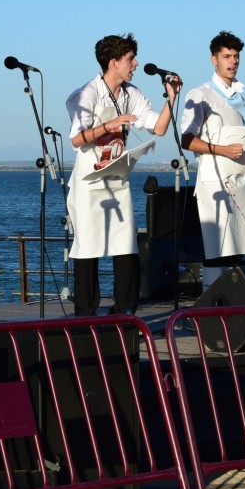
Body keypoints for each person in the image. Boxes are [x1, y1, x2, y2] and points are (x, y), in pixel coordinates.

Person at [65, 33, 181, 316]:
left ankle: (124, 310)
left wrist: (172, 99)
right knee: (87, 247)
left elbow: (159, 127)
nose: (136, 64)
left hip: (117, 180)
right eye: (130, 59)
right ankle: (85, 313)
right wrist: (111, 124)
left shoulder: (132, 93)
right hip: (89, 183)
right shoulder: (86, 94)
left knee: (125, 244)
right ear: (114, 62)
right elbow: (78, 139)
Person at [181, 31, 245, 272]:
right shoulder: (201, 94)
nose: (233, 62)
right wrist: (223, 150)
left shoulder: (237, 96)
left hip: (238, 178)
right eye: (227, 56)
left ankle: (235, 305)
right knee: (217, 247)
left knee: (238, 248)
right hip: (215, 180)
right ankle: (212, 303)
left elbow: (233, 139)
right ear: (214, 60)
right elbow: (187, 140)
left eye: (236, 56)